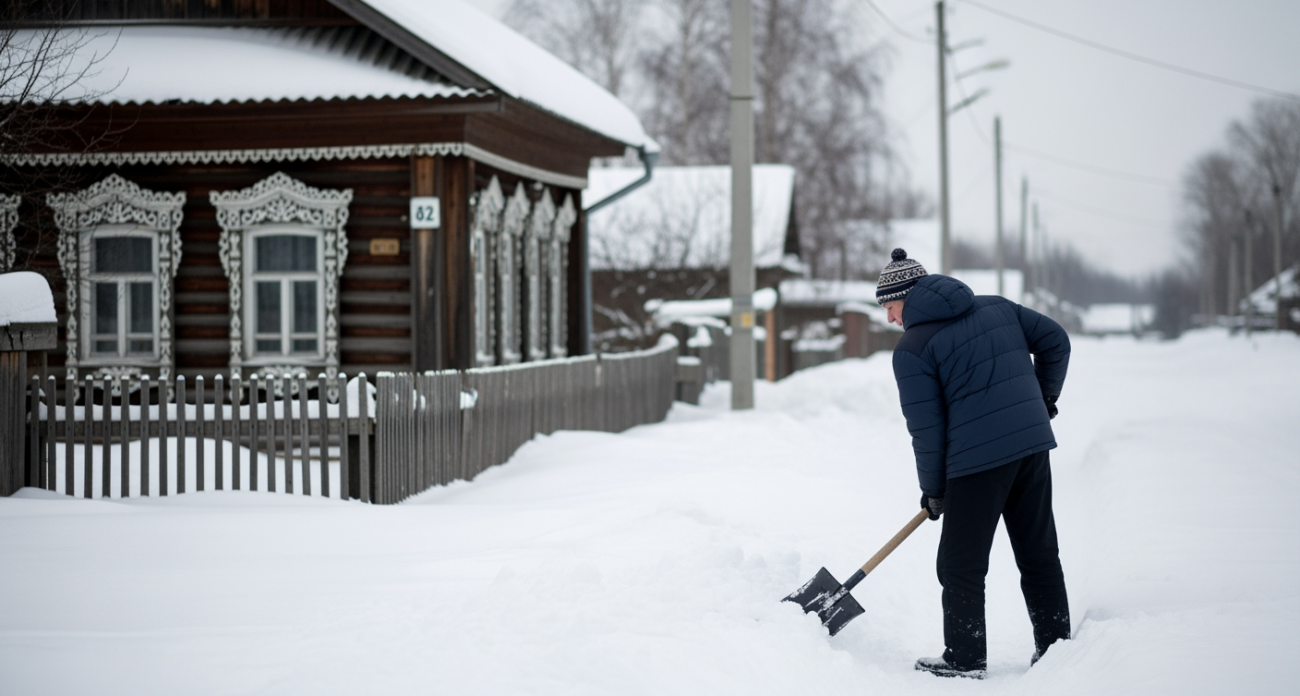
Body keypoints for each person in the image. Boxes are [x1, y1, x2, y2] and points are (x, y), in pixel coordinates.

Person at [876, 248, 1072, 679]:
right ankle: (1057, 648)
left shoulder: (912, 349)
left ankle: (965, 659)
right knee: (1038, 552)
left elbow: (926, 431)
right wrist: (1043, 400)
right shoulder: (999, 307)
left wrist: (935, 489)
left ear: (906, 297)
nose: (890, 319)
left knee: (959, 564)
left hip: (977, 462)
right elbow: (1056, 340)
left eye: (890, 307)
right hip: (1032, 446)